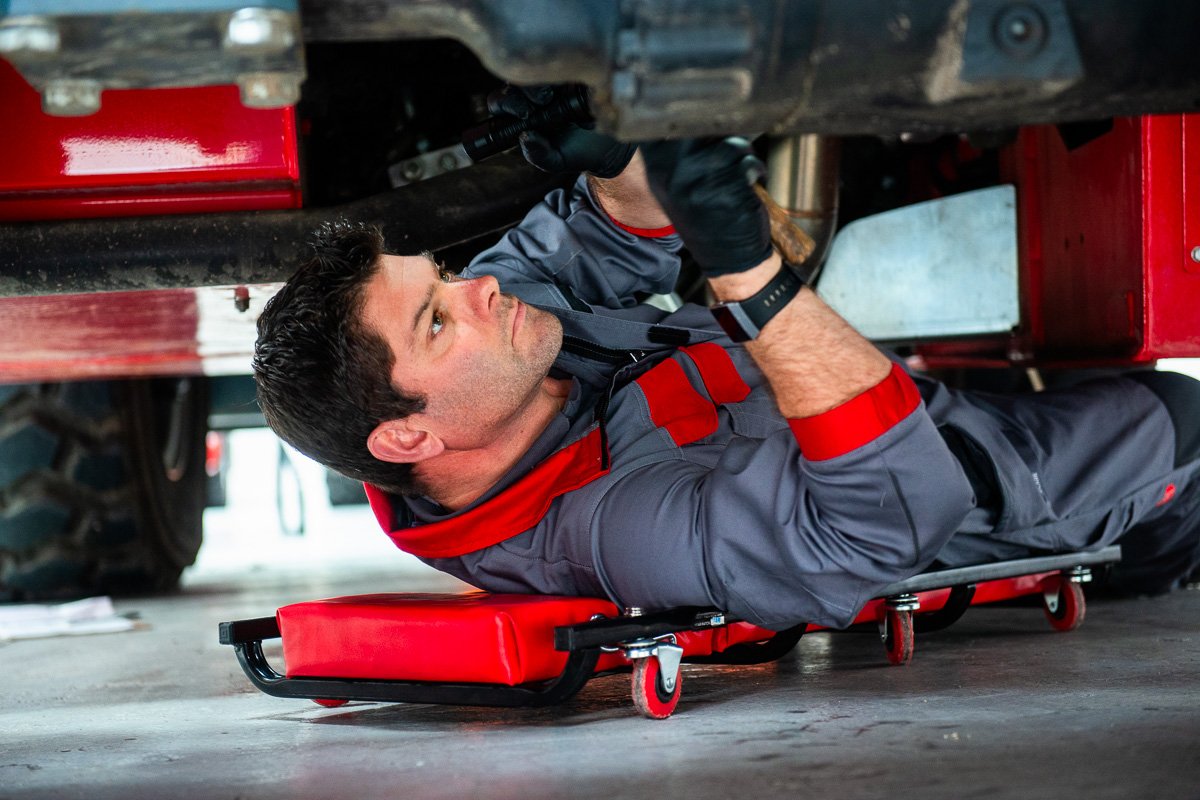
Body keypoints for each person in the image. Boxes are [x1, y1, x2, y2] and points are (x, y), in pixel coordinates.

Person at [253, 90, 1200, 631]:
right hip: (984, 479)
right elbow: (893, 518)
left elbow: (623, 220)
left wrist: (615, 147)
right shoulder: (617, 532)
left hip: (880, 389)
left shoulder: (487, 365)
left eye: (448, 274)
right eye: (434, 318)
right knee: (1181, 415)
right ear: (409, 431)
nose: (480, 288)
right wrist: (750, 270)